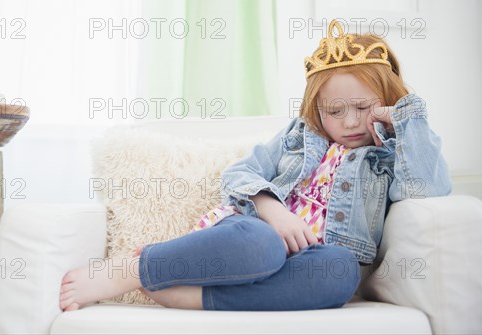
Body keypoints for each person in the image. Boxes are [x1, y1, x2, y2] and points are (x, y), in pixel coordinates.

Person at [59, 19, 452, 312]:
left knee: (342, 273)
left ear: (383, 104)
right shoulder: (300, 137)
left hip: (314, 258)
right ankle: (138, 268)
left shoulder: (388, 156)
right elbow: (239, 173)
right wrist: (272, 209)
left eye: (364, 108)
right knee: (262, 244)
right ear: (315, 111)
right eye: (334, 111)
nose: (349, 122)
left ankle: (199, 298)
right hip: (254, 233)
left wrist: (407, 117)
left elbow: (426, 190)